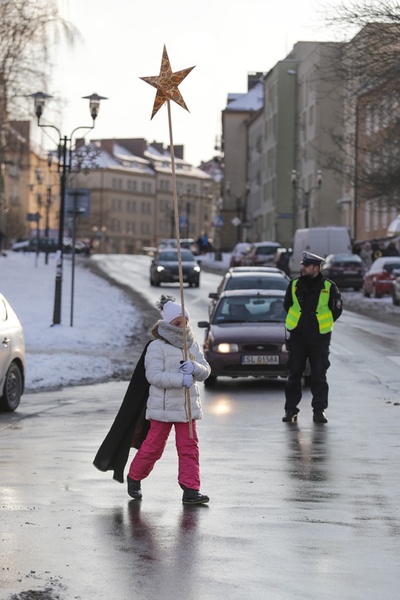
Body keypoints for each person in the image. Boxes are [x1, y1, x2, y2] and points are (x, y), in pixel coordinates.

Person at [126, 294, 211, 504]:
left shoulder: (192, 345)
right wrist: (179, 379)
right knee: (153, 448)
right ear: (167, 323)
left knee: (190, 449)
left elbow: (206, 371)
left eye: (185, 323)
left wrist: (195, 368)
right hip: (162, 409)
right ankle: (134, 477)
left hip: (187, 408)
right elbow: (153, 376)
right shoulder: (156, 347)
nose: (182, 327)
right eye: (177, 323)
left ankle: (191, 489)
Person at [282, 251, 343, 424]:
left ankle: (319, 411)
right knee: (294, 374)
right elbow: (287, 305)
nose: (303, 268)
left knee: (318, 375)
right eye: (303, 265)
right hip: (298, 337)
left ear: (317, 268)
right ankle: (290, 410)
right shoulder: (294, 285)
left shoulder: (329, 287)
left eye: (307, 266)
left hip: (319, 338)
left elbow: (336, 309)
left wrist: (321, 324)